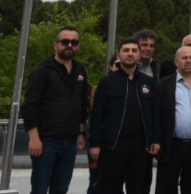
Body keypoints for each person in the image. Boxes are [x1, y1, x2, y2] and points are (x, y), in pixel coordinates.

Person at [91, 39, 161, 194]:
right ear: (119, 54)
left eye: (134, 51)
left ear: (139, 55)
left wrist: (156, 139)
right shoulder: (107, 82)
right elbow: (97, 114)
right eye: (126, 50)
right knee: (109, 188)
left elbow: (155, 113)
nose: (130, 54)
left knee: (139, 188)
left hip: (141, 147)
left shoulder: (149, 83)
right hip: (113, 146)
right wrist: (95, 143)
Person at [25, 26, 90, 194]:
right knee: (40, 188)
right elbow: (30, 106)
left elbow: (82, 104)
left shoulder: (80, 71)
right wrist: (34, 138)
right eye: (65, 41)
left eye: (74, 42)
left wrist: (80, 133)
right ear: (55, 45)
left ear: (78, 46)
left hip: (70, 142)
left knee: (61, 189)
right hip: (46, 141)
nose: (69, 45)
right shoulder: (42, 71)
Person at [157, 46, 191, 194]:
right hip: (172, 145)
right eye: (184, 58)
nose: (188, 61)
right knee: (167, 187)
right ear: (176, 62)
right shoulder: (164, 84)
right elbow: (157, 114)